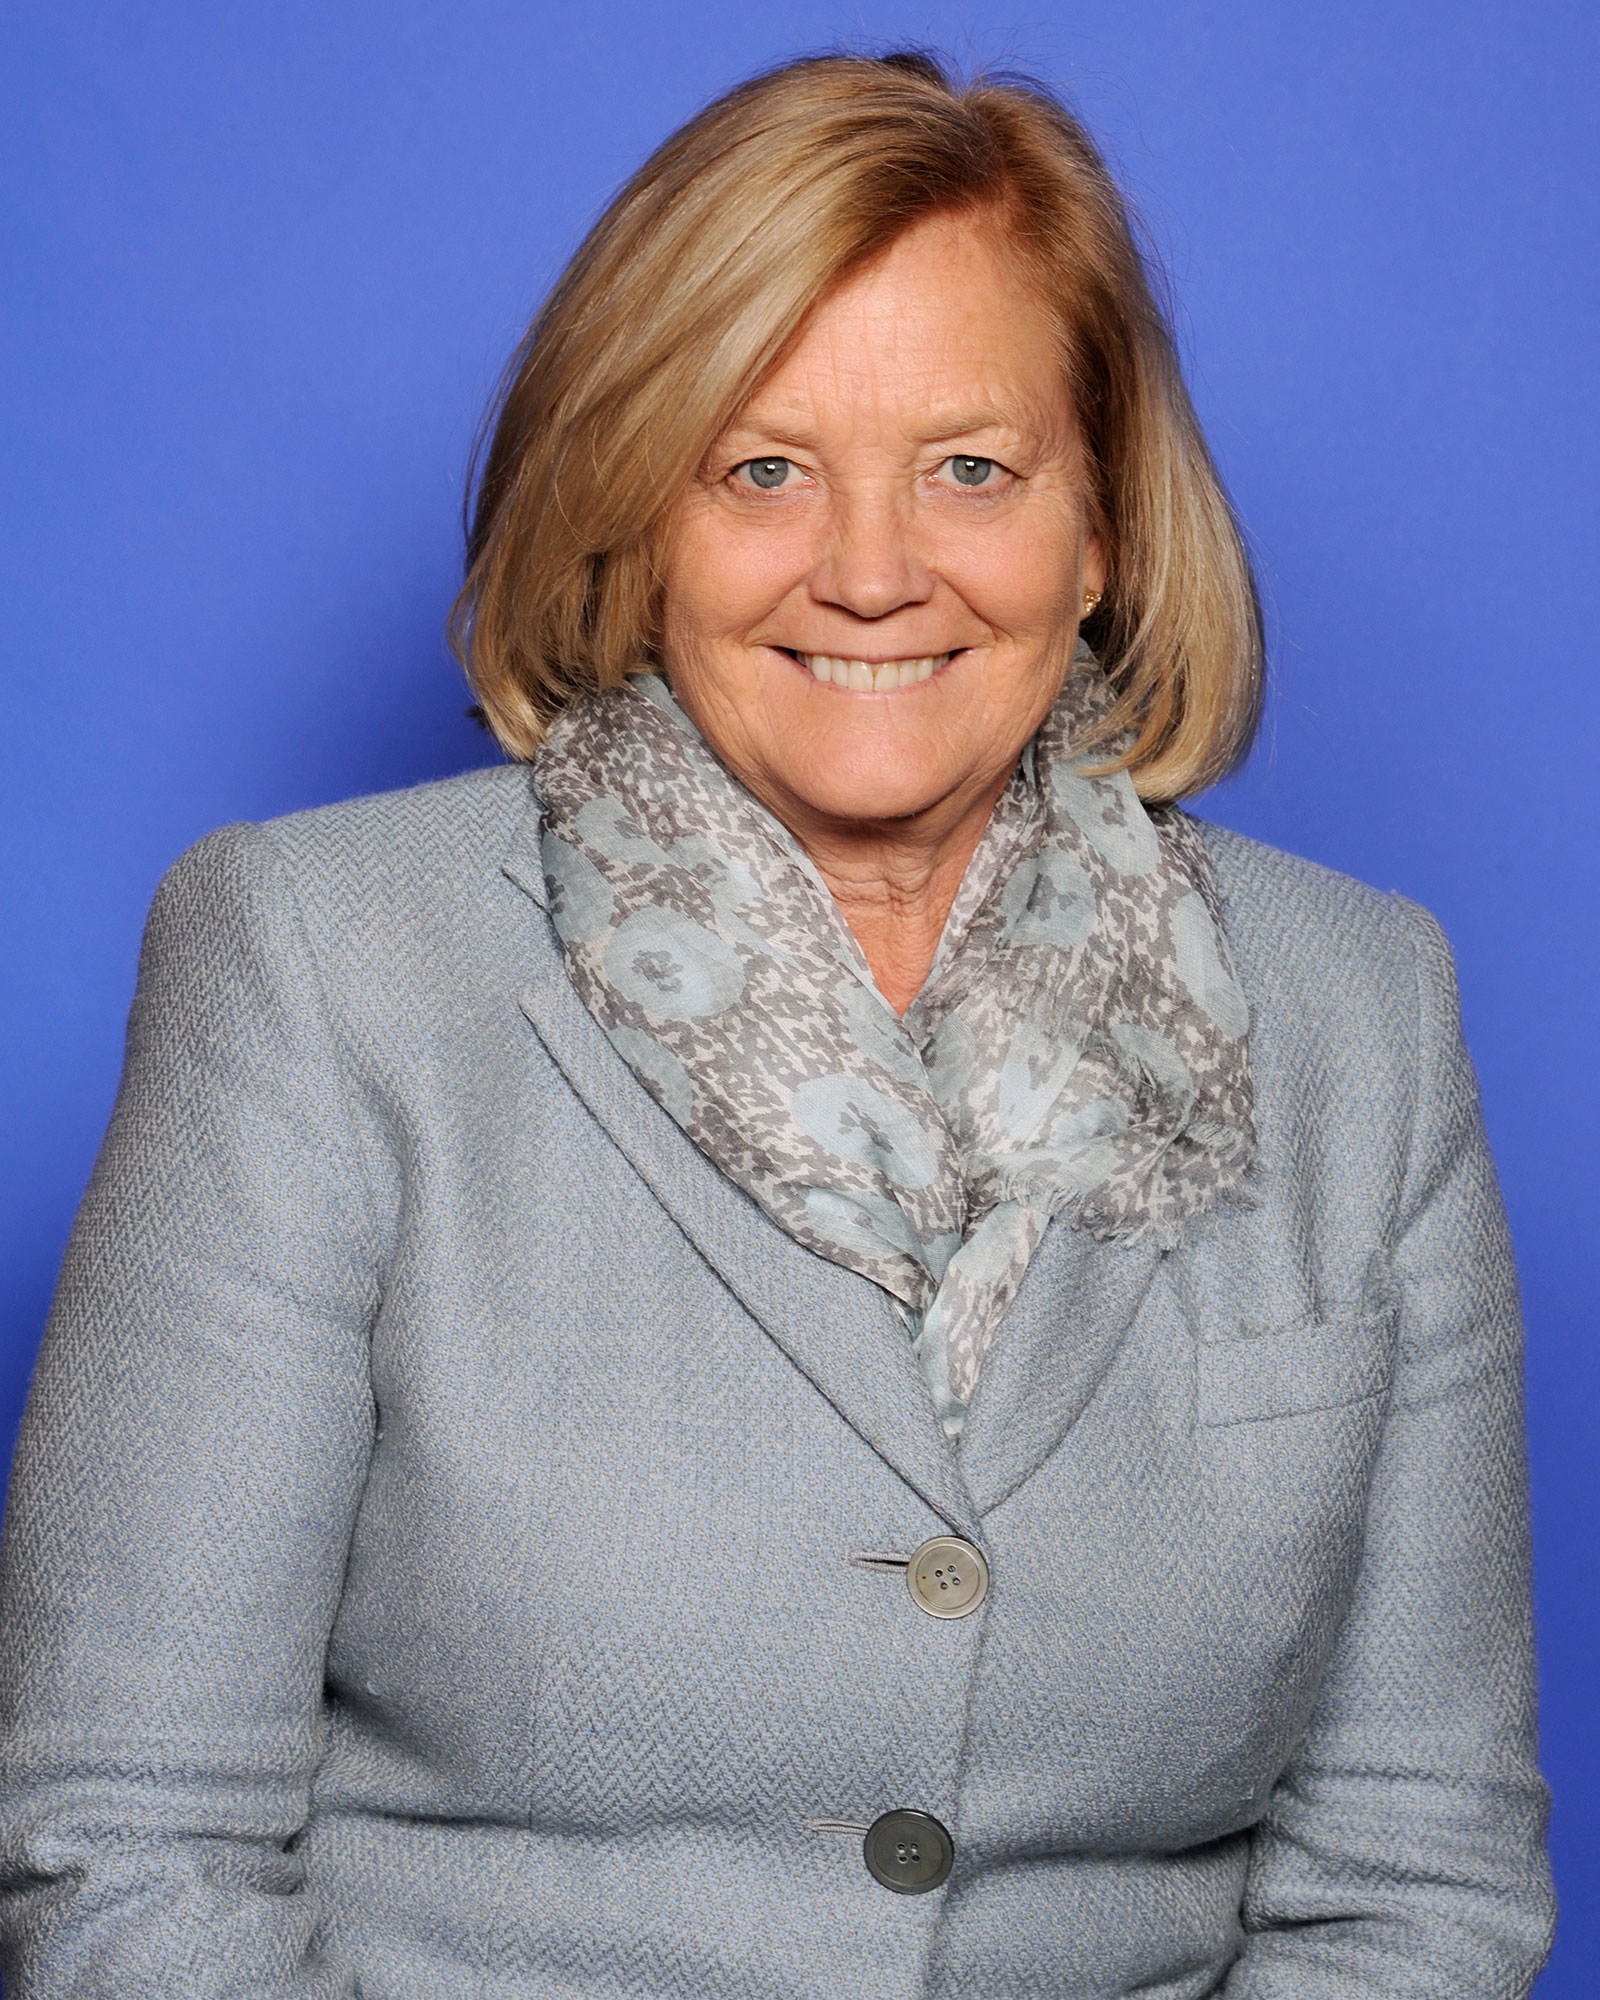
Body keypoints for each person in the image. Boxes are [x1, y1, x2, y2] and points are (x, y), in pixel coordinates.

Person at [0, 49, 1555, 1999]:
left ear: (1100, 531)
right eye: (760, 466)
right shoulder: (317, 964)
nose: (874, 567)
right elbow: (134, 1854)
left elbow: (1408, 1884)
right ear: (630, 512)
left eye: (970, 468)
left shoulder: (1364, 1014)